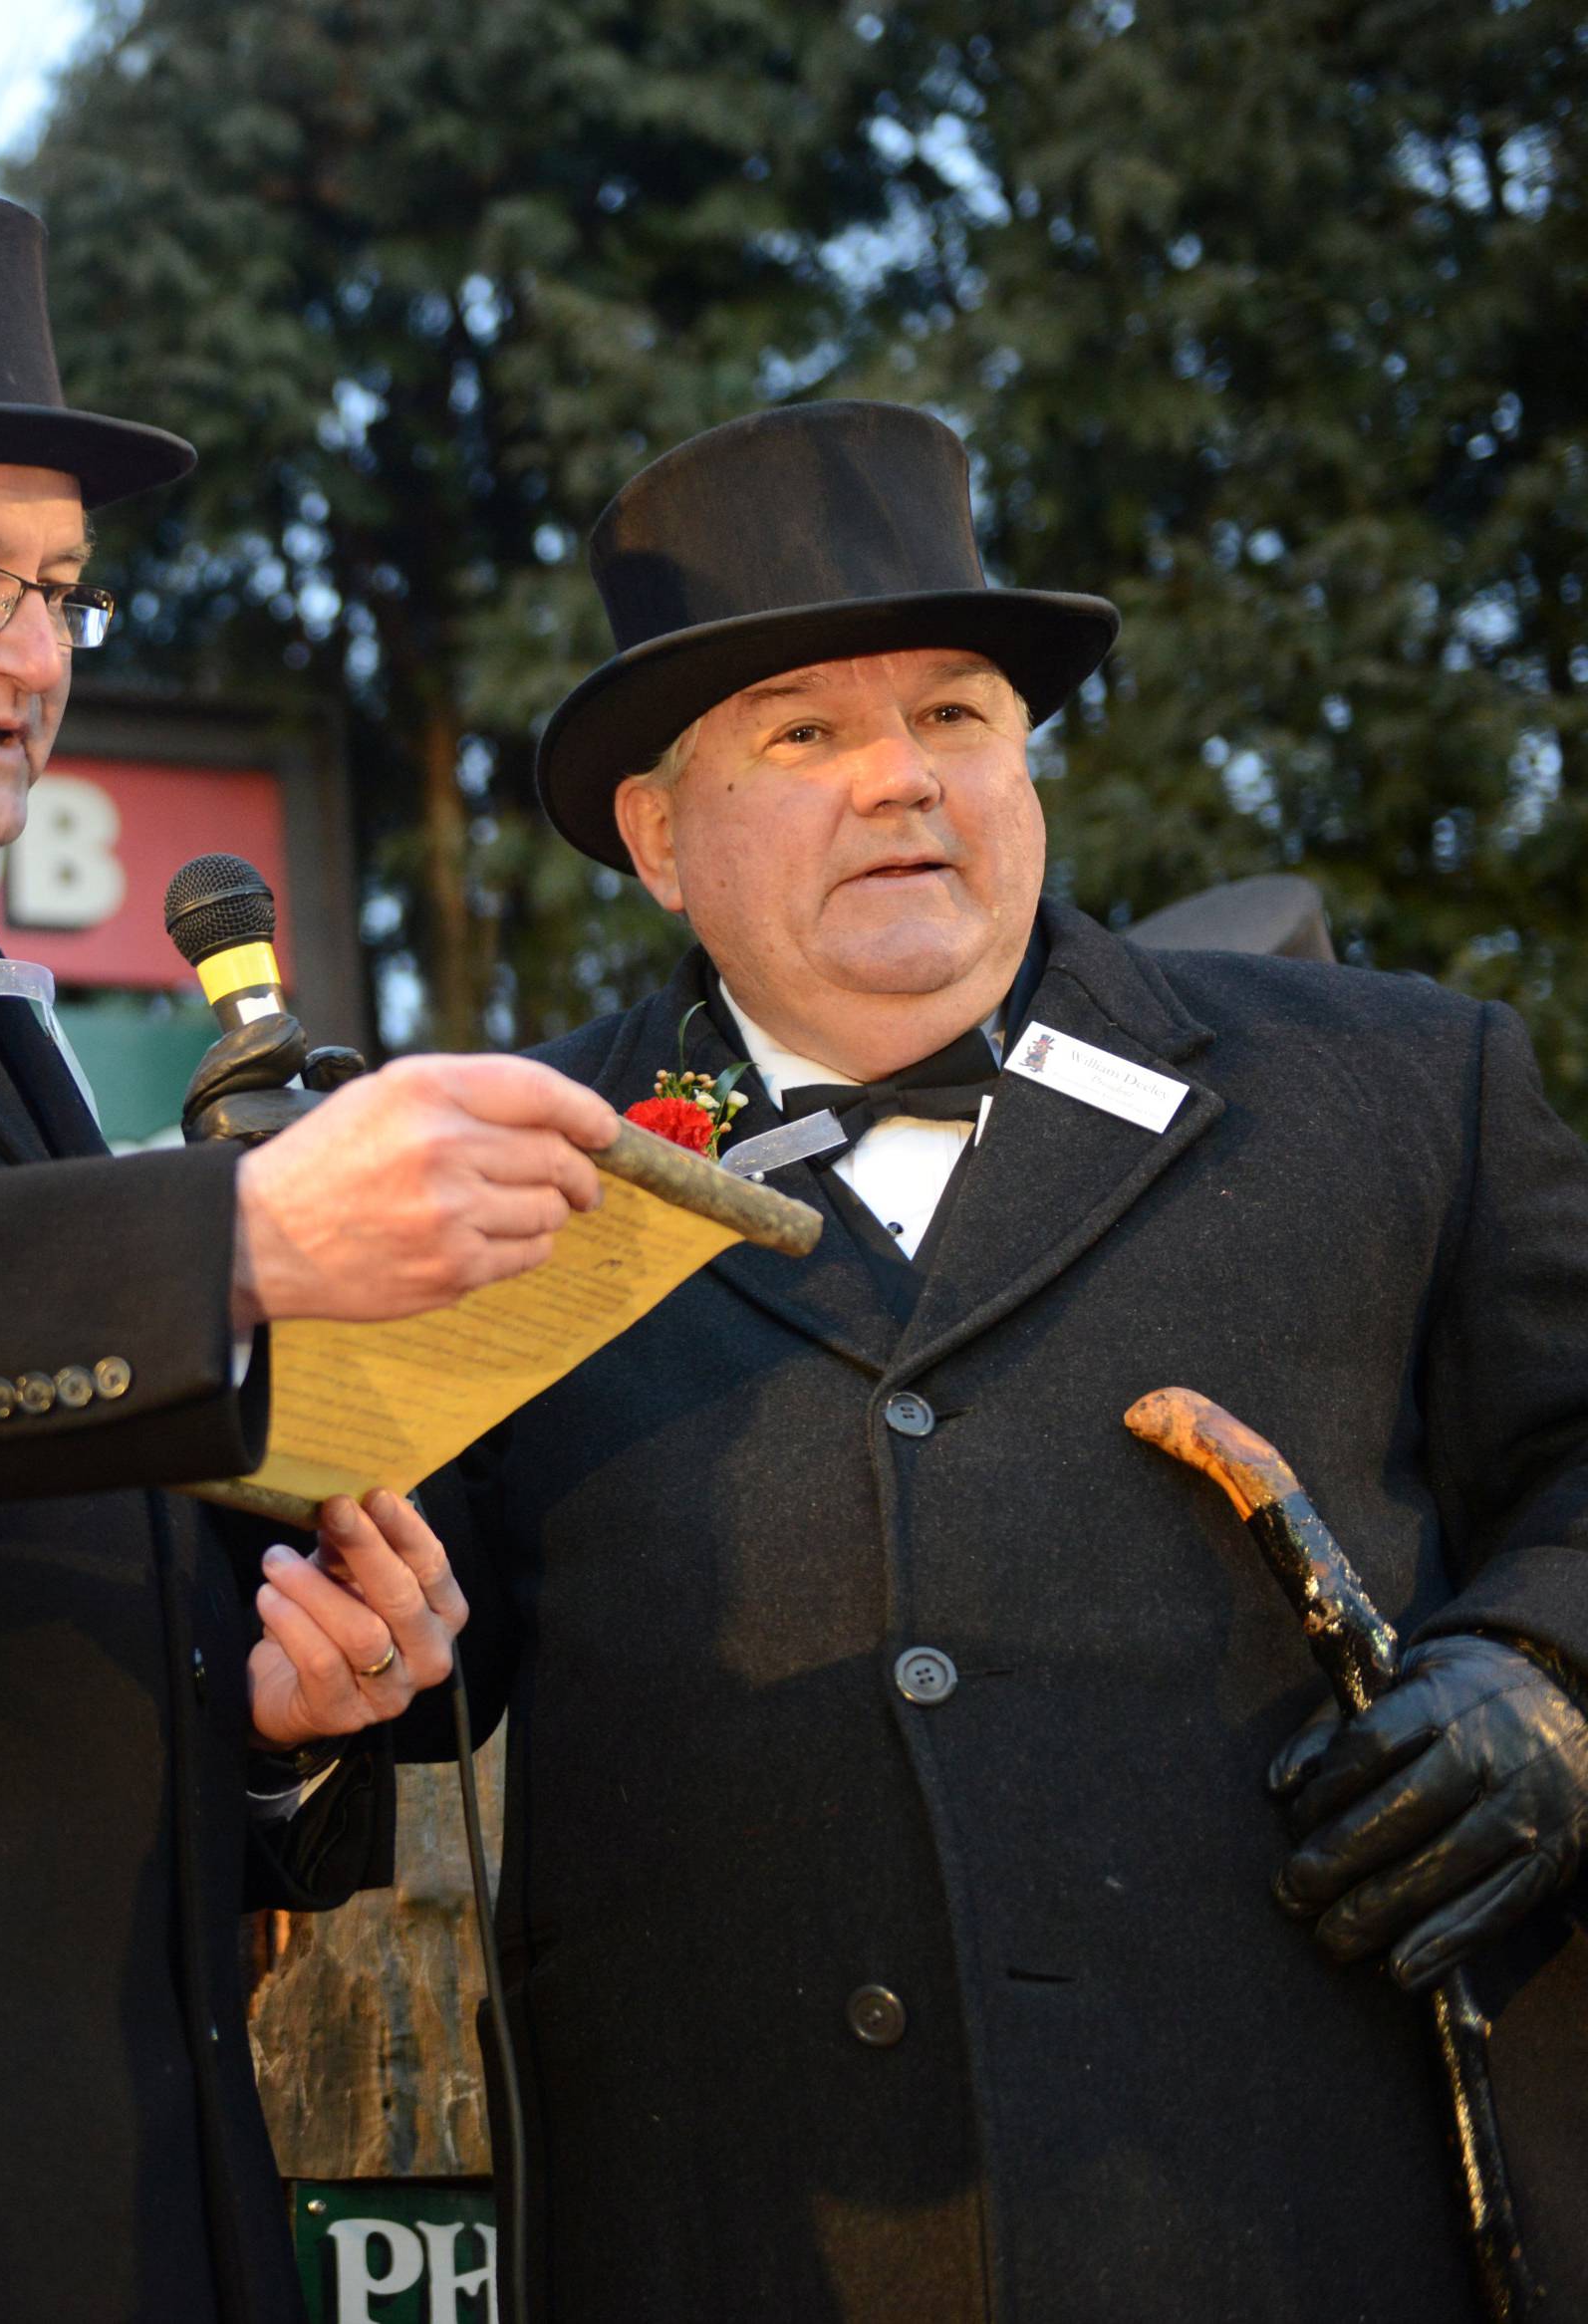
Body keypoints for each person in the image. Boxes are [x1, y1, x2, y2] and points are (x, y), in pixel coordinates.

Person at [391, 400, 1588, 2321]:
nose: (903, 783)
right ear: (656, 839)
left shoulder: (1401, 1084)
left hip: (1313, 2243)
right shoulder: (500, 1179)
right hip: (742, 2252)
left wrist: (1547, 1679)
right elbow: (364, 1663)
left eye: (953, 716)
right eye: (807, 734)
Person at [0, 195, 615, 2324]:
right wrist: (245, 1232)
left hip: (123, 2174)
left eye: (66, 589)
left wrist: (277, 1707)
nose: (39, 652)